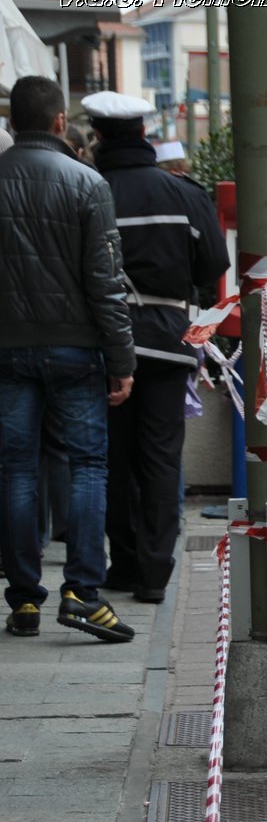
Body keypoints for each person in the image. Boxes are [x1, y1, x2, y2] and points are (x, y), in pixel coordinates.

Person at [0, 76, 137, 642]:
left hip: (6, 348)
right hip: (77, 347)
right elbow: (104, 282)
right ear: (61, 122)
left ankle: (24, 599)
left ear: (12, 124)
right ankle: (82, 592)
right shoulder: (87, 182)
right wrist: (122, 357)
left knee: (13, 470)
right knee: (86, 466)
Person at [87, 90, 229, 604]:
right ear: (146, 133)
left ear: (97, 136)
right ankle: (153, 574)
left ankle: (122, 565)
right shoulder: (186, 195)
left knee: (112, 459)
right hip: (170, 343)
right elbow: (214, 266)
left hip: (104, 346)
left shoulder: (90, 188)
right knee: (161, 458)